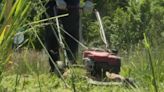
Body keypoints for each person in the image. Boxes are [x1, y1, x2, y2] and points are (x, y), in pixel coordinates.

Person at [44, 0, 94, 74]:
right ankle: (54, 67)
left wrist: (89, 1)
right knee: (52, 34)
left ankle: (71, 67)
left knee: (72, 34)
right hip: (52, 4)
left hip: (72, 4)